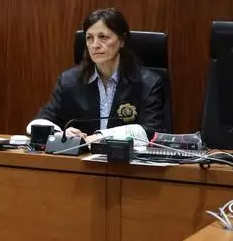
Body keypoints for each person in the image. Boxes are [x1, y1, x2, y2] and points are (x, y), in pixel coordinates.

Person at [29, 8, 167, 142]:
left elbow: (153, 131)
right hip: (81, 157)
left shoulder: (148, 83)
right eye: (89, 38)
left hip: (125, 157)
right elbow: (40, 122)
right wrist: (61, 134)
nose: (95, 45)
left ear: (122, 40)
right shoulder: (68, 81)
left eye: (103, 37)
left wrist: (101, 137)